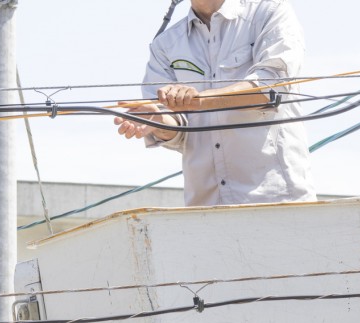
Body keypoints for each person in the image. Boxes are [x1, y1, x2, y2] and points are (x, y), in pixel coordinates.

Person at [114, 0, 316, 207]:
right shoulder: (165, 45)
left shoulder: (269, 12)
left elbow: (270, 87)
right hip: (206, 208)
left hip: (277, 200)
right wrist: (159, 121)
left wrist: (200, 101)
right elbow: (178, 130)